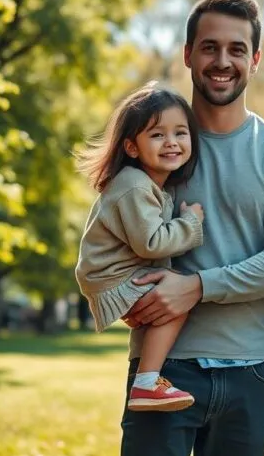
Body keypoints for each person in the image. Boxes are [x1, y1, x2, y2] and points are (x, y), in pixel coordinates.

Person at [116, 0, 264, 456]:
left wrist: (196, 286)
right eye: (209, 47)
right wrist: (117, 292)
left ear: (255, 59)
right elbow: (111, 226)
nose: (221, 61)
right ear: (188, 54)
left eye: (235, 49)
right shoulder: (157, 143)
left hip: (249, 372)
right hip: (162, 371)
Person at [74, 82, 203, 412]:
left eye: (180, 132)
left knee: (167, 301)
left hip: (116, 272)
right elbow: (152, 243)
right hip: (112, 276)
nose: (171, 142)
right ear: (131, 147)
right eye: (157, 135)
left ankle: (149, 378)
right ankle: (147, 383)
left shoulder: (148, 185)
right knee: (175, 305)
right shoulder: (133, 185)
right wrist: (190, 223)